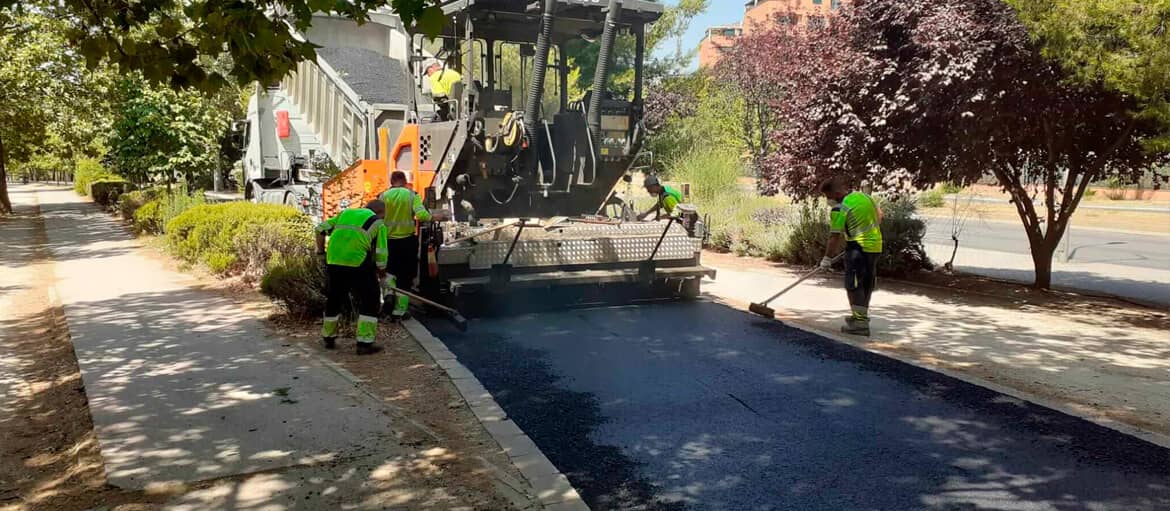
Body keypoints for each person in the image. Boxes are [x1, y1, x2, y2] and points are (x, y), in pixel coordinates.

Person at [315, 200, 389, 355]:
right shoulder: (378, 223)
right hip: (357, 263)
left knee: (334, 298)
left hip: (334, 261)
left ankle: (329, 337)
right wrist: (381, 274)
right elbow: (381, 253)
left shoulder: (345, 213)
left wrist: (321, 252)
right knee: (370, 299)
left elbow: (320, 229)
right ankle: (364, 343)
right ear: (380, 212)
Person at [819, 178, 884, 336]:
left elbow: (834, 236)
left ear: (836, 193)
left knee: (853, 284)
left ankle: (860, 324)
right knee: (866, 283)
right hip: (875, 246)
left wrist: (827, 259)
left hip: (858, 249)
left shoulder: (840, 208)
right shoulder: (865, 197)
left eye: (828, 196)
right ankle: (860, 317)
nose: (828, 200)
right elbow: (880, 216)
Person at [379, 171, 445, 320]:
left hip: (388, 241)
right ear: (404, 180)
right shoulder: (411, 195)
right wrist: (434, 217)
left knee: (388, 272)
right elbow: (421, 215)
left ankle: (389, 295)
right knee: (405, 277)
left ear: (391, 181)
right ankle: (400, 312)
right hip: (407, 242)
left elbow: (376, 216)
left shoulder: (383, 196)